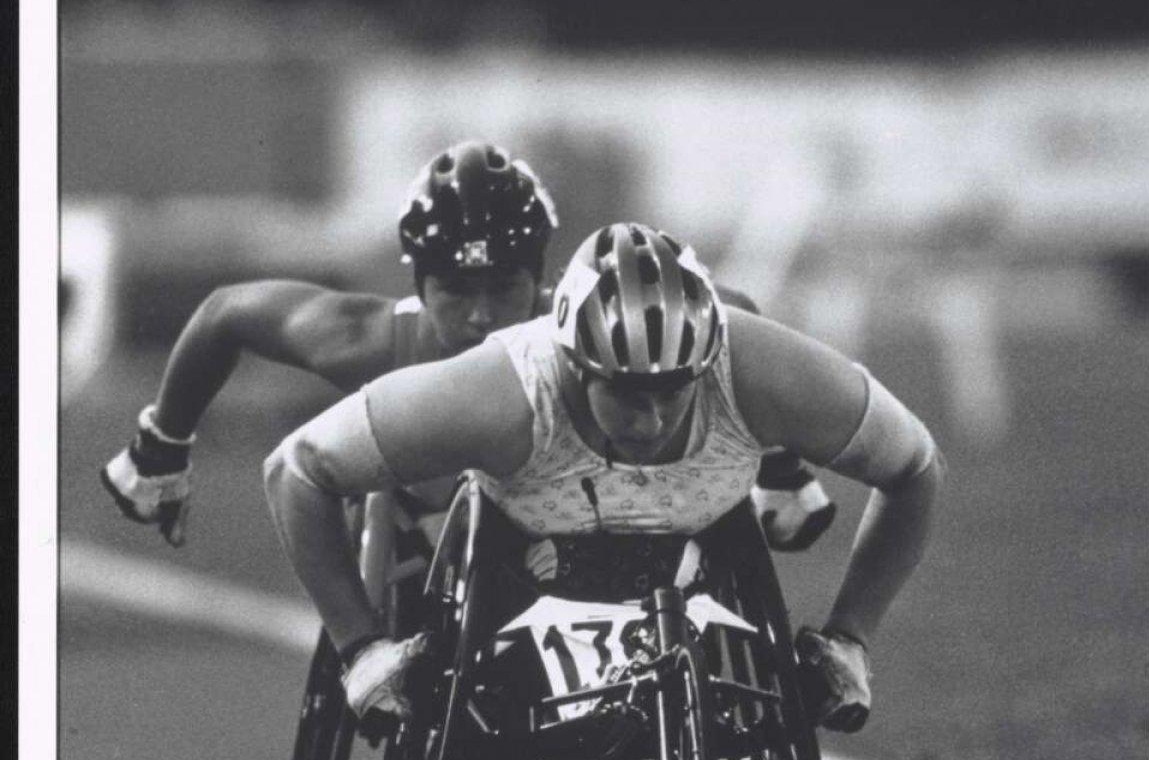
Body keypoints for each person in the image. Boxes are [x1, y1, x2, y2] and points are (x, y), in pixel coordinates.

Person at [262, 224, 945, 760]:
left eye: (673, 393)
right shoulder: (498, 391)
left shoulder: (762, 371)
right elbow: (294, 470)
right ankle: (585, 753)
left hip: (695, 554)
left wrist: (850, 637)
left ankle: (603, 748)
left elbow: (915, 468)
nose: (650, 421)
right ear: (573, 366)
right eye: (624, 394)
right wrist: (359, 648)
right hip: (533, 564)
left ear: (707, 363)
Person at [100, 142, 836, 554]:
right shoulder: (370, 337)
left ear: (543, 277)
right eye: (455, 289)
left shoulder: (587, 335)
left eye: (504, 286)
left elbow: (726, 313)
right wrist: (160, 447)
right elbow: (226, 311)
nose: (482, 316)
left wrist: (779, 464)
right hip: (417, 538)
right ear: (418, 279)